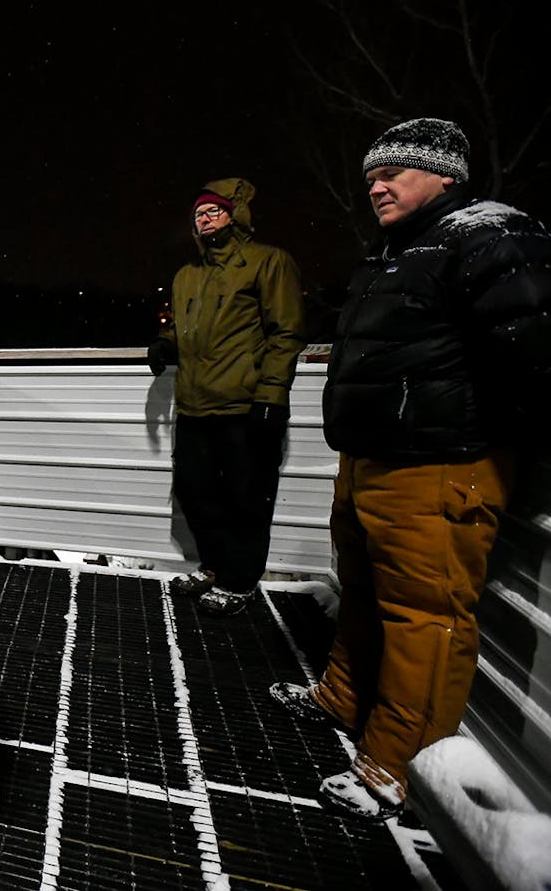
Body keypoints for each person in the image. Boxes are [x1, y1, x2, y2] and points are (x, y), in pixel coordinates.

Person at [270, 117, 551, 821]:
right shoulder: (402, 246)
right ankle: (343, 695)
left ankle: (397, 768)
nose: (377, 183)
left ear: (446, 174)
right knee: (363, 590)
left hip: (437, 467)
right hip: (372, 461)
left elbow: (531, 355)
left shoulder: (488, 235)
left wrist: (489, 438)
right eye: (371, 173)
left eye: (394, 170)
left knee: (426, 619)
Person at [148, 179, 307, 615]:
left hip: (245, 406)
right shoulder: (187, 276)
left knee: (246, 499)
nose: (202, 218)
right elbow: (187, 329)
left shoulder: (268, 262)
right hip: (196, 405)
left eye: (212, 210)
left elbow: (286, 332)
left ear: (234, 216)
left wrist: (271, 398)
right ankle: (216, 565)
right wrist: (166, 342)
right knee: (194, 491)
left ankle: (241, 581)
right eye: (197, 213)